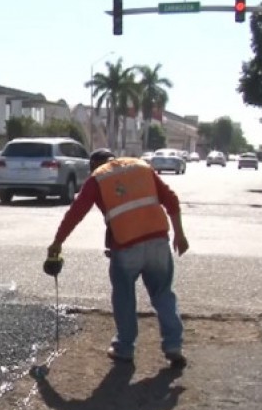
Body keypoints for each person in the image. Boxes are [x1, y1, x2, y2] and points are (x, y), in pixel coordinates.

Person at [47, 148, 190, 368]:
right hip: (158, 242)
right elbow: (171, 199)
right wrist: (179, 234)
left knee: (124, 296)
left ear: (93, 165)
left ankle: (125, 348)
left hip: (126, 246)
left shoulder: (97, 178)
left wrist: (57, 243)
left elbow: (76, 212)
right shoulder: (141, 166)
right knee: (163, 295)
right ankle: (173, 346)